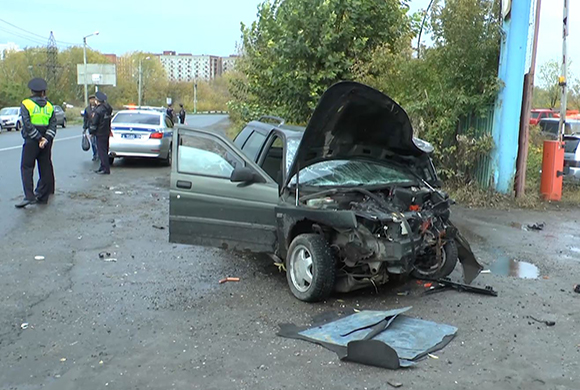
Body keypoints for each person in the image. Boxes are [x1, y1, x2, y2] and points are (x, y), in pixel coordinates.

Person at [15, 77, 57, 208]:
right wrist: (45, 139)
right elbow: (53, 125)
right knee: (45, 167)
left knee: (27, 167)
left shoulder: (26, 104)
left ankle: (29, 196)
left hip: (32, 141)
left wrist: (38, 138)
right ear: (43, 92)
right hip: (46, 142)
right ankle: (43, 197)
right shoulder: (50, 106)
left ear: (32, 91)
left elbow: (27, 124)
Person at [90, 91, 113, 175]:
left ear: (97, 100)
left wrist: (91, 132)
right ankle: (102, 167)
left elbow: (94, 122)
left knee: (101, 152)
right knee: (105, 150)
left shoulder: (98, 110)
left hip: (100, 133)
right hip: (106, 132)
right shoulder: (108, 109)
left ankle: (105, 169)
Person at [83, 95, 98, 161]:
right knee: (93, 142)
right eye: (91, 99)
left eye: (93, 99)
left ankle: (99, 155)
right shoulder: (87, 109)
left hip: (98, 128)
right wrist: (84, 128)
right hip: (91, 128)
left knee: (98, 142)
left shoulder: (98, 107)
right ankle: (95, 154)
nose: (92, 101)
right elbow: (85, 119)